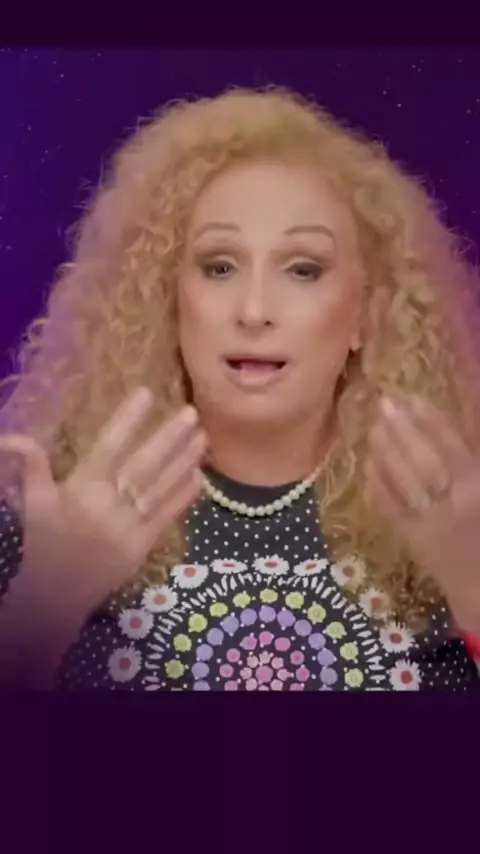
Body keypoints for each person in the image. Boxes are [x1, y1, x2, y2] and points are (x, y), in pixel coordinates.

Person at [1, 85, 480, 691]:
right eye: (219, 266)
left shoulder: (460, 516)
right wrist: (43, 606)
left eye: (303, 269)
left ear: (366, 315)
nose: (254, 311)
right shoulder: (50, 517)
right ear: (168, 301)